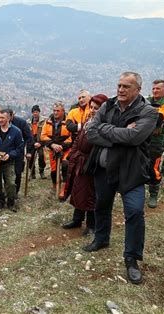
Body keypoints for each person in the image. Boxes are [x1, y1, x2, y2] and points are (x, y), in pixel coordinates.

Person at [84, 71, 158, 285]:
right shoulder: (108, 105)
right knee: (102, 204)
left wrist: (106, 131)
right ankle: (101, 238)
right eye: (119, 85)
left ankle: (132, 259)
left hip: (131, 171)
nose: (121, 89)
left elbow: (135, 137)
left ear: (138, 90)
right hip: (104, 168)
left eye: (126, 86)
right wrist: (119, 133)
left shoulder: (148, 112)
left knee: (134, 212)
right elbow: (91, 133)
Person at [61, 94, 108, 237]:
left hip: (91, 164)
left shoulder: (104, 125)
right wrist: (73, 155)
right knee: (77, 190)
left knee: (90, 194)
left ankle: (91, 225)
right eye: (91, 107)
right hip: (79, 161)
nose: (93, 110)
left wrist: (88, 160)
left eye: (96, 108)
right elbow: (78, 139)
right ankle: (77, 219)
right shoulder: (89, 121)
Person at [146, 79, 164, 208]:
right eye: (154, 88)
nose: (155, 91)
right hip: (143, 139)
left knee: (154, 168)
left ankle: (153, 193)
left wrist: (144, 115)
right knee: (137, 164)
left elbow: (158, 119)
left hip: (156, 141)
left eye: (158, 88)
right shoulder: (147, 100)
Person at [0, 109, 24, 210]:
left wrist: (10, 155)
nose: (0, 120)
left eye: (2, 118)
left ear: (9, 118)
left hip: (9, 162)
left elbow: (20, 148)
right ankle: (1, 201)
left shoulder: (16, 131)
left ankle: (11, 202)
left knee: (11, 183)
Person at [40, 102, 72, 189]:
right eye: (54, 110)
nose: (55, 112)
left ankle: (64, 188)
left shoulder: (69, 121)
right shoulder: (48, 122)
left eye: (58, 111)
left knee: (65, 165)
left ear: (63, 111)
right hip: (52, 150)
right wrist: (52, 145)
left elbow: (71, 137)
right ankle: (55, 187)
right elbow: (43, 135)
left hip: (66, 149)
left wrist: (62, 146)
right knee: (54, 171)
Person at [8, 108, 33, 195]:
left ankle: (15, 192)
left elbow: (29, 137)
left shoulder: (21, 122)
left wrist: (29, 151)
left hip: (19, 152)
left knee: (17, 173)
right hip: (7, 152)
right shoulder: (1, 123)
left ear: (12, 116)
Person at [28, 105, 47, 179]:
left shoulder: (44, 121)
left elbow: (45, 133)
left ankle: (41, 171)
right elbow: (28, 134)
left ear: (39, 112)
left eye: (36, 112)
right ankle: (32, 173)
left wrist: (41, 143)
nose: (35, 114)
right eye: (33, 112)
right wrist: (33, 143)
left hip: (41, 141)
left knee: (41, 156)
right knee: (30, 157)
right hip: (32, 141)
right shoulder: (29, 122)